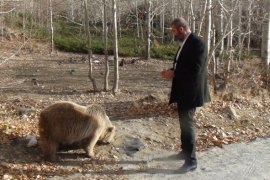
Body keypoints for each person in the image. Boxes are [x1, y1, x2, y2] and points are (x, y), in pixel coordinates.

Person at [161, 17, 211, 172]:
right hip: (184, 90)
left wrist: (174, 73)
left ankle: (191, 161)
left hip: (191, 92)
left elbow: (195, 70)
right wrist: (171, 70)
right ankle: (184, 152)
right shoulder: (185, 43)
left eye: (174, 31)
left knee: (187, 125)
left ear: (181, 29)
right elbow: (181, 64)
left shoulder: (198, 44)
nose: (173, 34)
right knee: (183, 123)